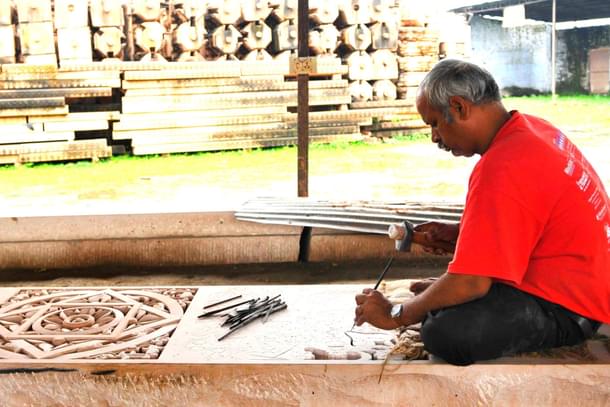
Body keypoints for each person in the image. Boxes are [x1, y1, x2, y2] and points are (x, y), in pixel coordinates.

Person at [354, 59, 610, 365]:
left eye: (434, 123)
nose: (435, 138)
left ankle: (568, 328)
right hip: (585, 278)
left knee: (446, 333)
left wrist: (395, 314)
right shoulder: (532, 129)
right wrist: (463, 233)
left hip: (571, 305)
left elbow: (471, 282)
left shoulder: (502, 165)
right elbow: (531, 217)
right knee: (442, 297)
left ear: (459, 108)